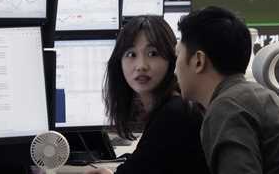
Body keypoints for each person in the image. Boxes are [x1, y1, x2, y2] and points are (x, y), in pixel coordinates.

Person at [174, 6, 279, 174]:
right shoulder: (245, 96)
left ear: (198, 61)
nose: (175, 70)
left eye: (178, 55)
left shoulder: (227, 107)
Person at [85, 15, 209, 174]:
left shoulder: (175, 114)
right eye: (131, 54)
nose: (141, 66)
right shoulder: (170, 107)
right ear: (119, 62)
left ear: (172, 59)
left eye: (153, 53)